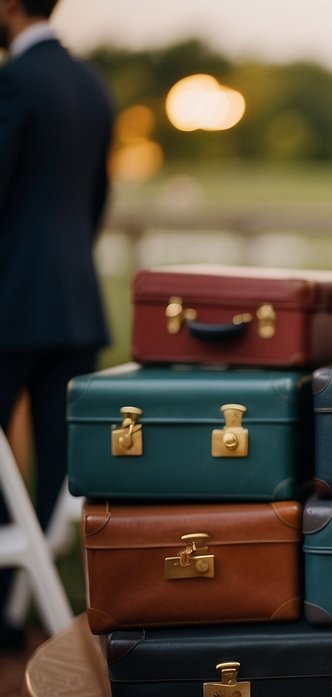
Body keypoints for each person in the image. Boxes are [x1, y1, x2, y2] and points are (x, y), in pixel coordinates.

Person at [0, 0, 113, 646]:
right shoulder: (91, 82)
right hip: (75, 302)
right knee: (52, 470)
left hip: (12, 302)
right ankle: (17, 612)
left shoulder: (13, 81)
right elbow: (95, 199)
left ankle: (8, 611)